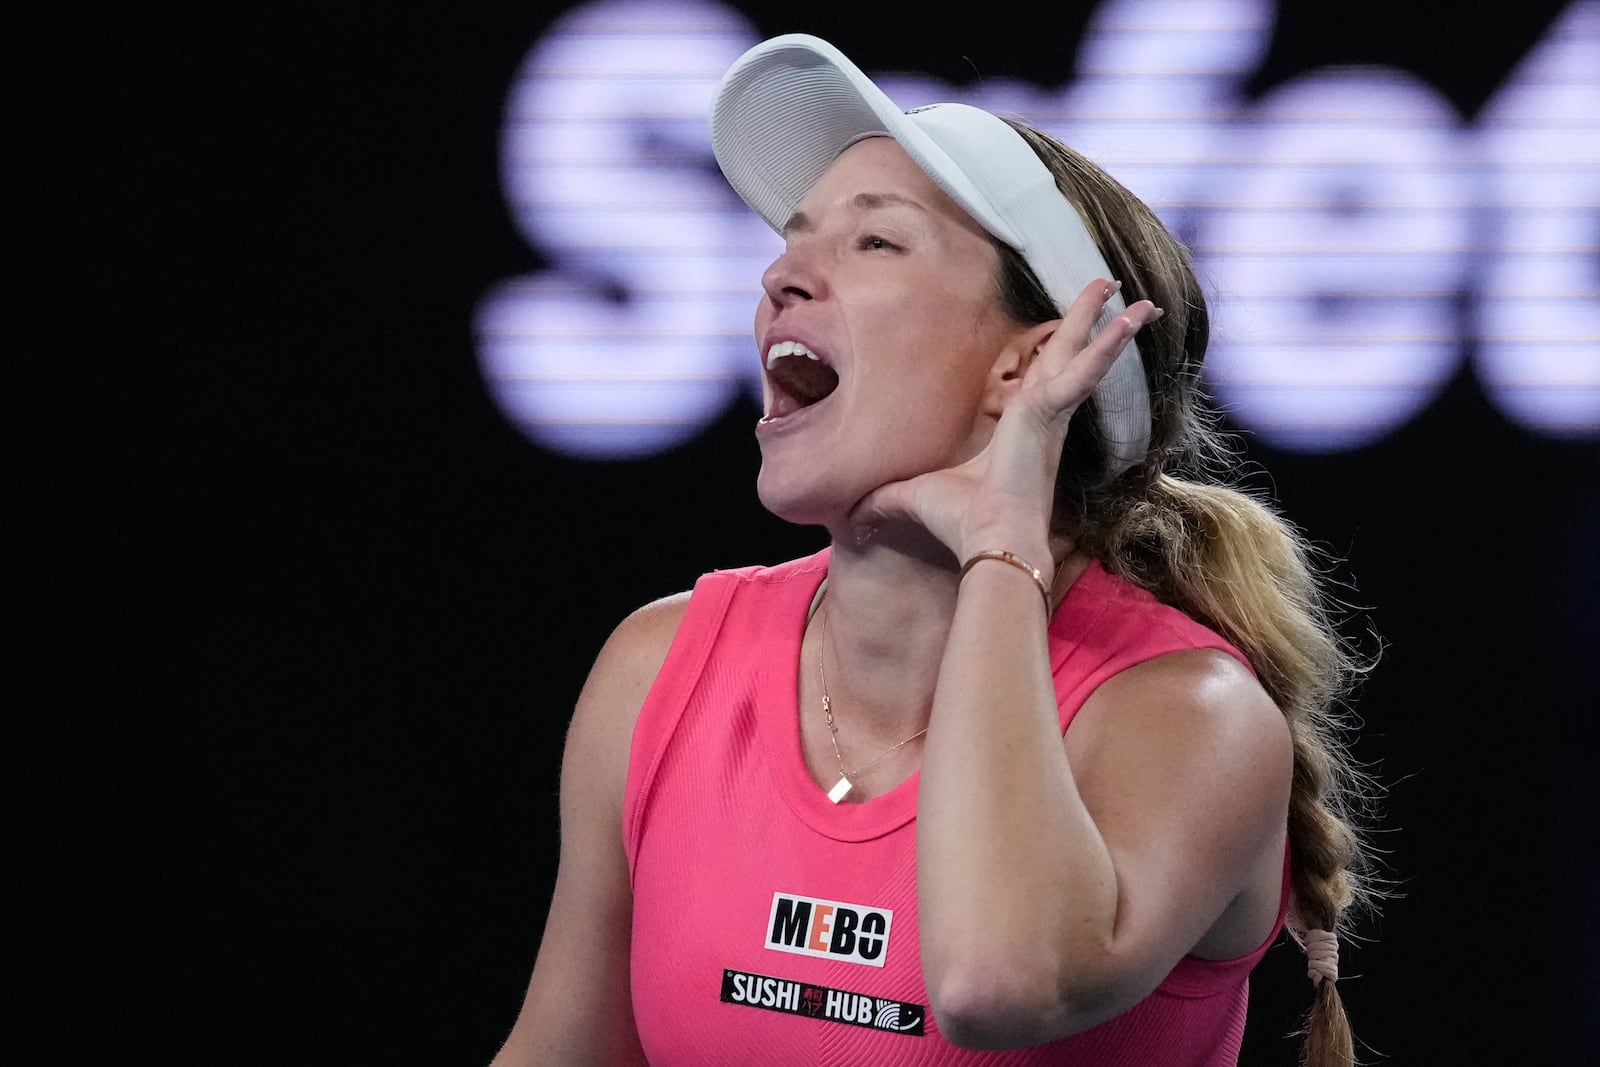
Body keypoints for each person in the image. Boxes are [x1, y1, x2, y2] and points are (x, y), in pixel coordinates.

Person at [491, 33, 1371, 1067]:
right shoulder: (657, 667)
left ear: (1029, 361)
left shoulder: (1188, 714)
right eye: (794, 235)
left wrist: (1000, 541)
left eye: (874, 243)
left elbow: (996, 983)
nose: (782, 273)